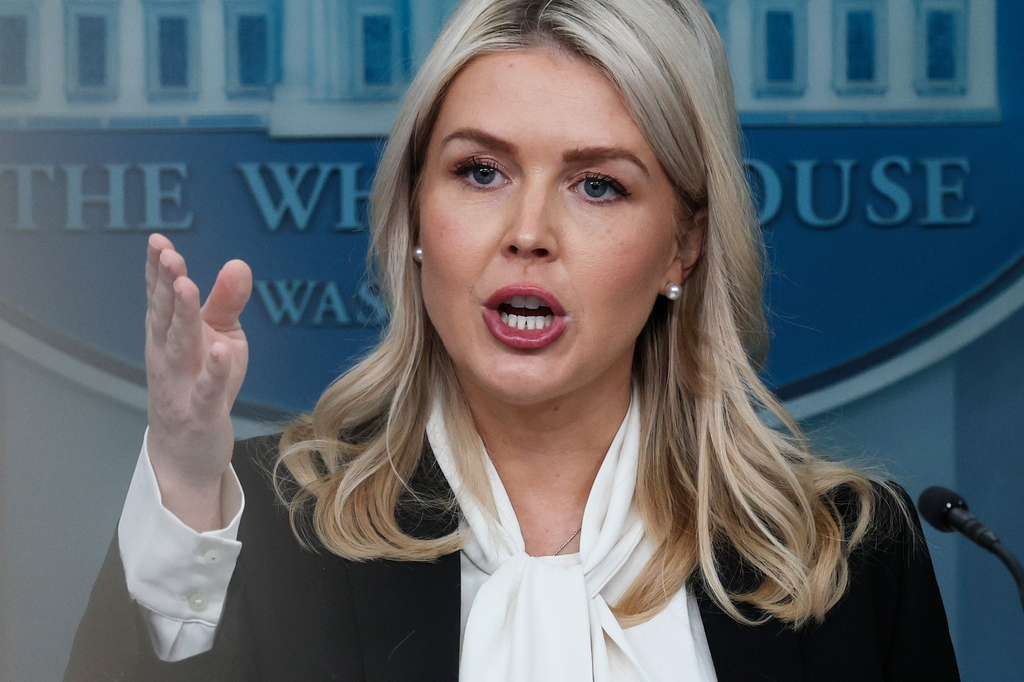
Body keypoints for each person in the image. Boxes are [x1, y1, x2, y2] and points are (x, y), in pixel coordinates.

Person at [65, 0, 960, 680]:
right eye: (481, 172)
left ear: (683, 245)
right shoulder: (259, 527)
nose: (529, 232)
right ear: (417, 212)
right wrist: (185, 481)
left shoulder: (849, 555)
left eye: (598, 185)